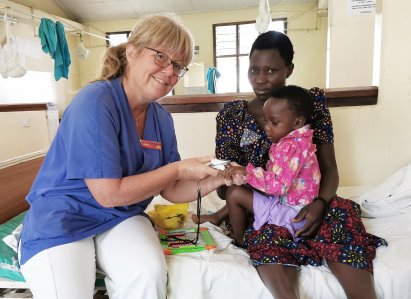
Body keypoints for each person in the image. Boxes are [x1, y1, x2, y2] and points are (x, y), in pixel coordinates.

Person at [18, 14, 227, 299]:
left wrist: (221, 177)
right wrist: (178, 169)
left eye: (179, 66)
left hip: (120, 217)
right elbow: (108, 194)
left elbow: (172, 189)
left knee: (147, 273)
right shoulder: (95, 100)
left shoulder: (161, 119)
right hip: (64, 215)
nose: (170, 72)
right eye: (162, 57)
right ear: (131, 51)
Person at [194, 30, 387, 299]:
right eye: (253, 70)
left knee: (341, 217)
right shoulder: (232, 116)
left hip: (309, 202)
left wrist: (319, 204)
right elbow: (224, 188)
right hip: (262, 208)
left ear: (289, 69)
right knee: (266, 236)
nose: (260, 79)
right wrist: (246, 186)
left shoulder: (308, 106)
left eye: (271, 70)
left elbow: (329, 169)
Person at [223, 85, 321, 247]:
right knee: (243, 188)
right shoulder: (297, 140)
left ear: (298, 122)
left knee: (234, 194)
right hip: (290, 205)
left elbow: (280, 185)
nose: (267, 127)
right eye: (266, 121)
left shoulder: (291, 147)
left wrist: (247, 173)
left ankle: (241, 241)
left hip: (293, 214)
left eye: (274, 122)